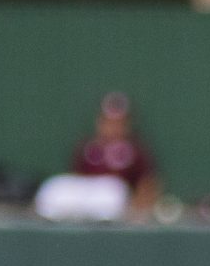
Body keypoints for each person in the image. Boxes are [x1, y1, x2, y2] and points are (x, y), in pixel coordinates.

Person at [34, 93, 159, 222]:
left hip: (115, 198)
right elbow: (77, 179)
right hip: (87, 196)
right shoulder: (87, 147)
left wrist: (138, 211)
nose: (112, 127)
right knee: (56, 187)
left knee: (110, 193)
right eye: (108, 122)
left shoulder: (136, 150)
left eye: (118, 122)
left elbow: (147, 184)